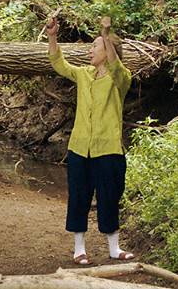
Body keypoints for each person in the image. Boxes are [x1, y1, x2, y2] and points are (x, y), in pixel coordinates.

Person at [46, 14, 135, 265]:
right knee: (79, 196)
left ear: (108, 51)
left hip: (108, 150)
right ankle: (79, 249)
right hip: (79, 149)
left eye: (94, 46)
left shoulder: (120, 79)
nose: (90, 51)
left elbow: (117, 67)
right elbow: (59, 63)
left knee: (109, 197)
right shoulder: (84, 74)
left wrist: (106, 35)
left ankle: (114, 249)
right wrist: (52, 36)